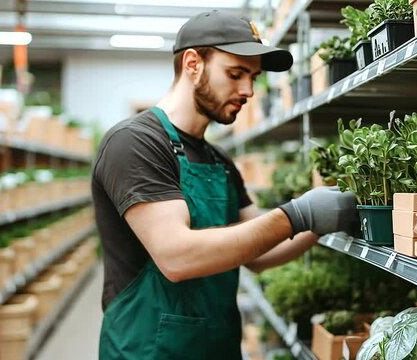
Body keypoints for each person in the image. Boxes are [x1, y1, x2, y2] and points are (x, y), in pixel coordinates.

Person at [92, 10, 357, 359]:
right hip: (148, 349)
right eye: (235, 74)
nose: (247, 90)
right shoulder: (135, 143)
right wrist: (296, 215)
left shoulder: (219, 160)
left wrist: (323, 221)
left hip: (217, 347)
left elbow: (260, 254)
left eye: (253, 78)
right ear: (193, 64)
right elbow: (176, 256)